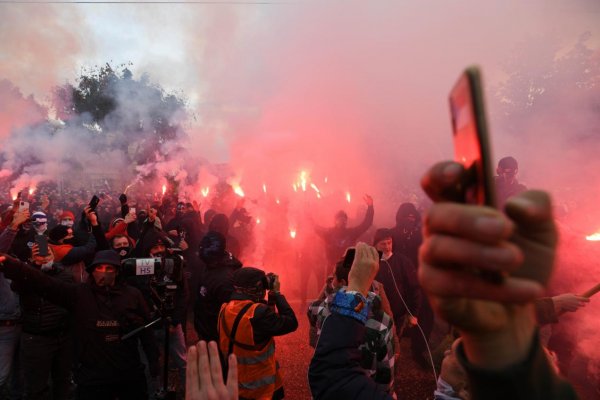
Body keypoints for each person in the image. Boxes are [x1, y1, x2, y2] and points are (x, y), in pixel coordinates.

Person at [308, 160, 577, 399]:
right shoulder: (340, 294)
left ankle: (413, 354)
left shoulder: (383, 292)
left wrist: (367, 298)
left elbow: (332, 373)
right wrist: (549, 306)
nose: (452, 350)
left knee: (406, 327)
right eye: (455, 350)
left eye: (457, 353)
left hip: (401, 295)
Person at [0, 250, 159, 400]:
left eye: (109, 268)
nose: (104, 272)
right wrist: (13, 265)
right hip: (92, 375)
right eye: (99, 268)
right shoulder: (79, 294)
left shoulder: (132, 295)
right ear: (92, 271)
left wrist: (153, 359)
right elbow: (45, 284)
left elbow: (146, 331)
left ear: (117, 271)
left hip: (127, 371)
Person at [307, 259, 397, 396]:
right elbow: (385, 372)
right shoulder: (382, 321)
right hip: (364, 390)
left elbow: (311, 309)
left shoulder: (322, 309)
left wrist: (329, 289)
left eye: (334, 277)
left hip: (328, 389)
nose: (331, 280)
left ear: (342, 282)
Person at [219, 267, 298, 400]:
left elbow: (264, 319)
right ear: (255, 288)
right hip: (258, 390)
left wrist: (270, 298)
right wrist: (277, 293)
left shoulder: (224, 309)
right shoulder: (257, 314)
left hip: (233, 385)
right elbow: (291, 323)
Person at [372, 228, 423, 364]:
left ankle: (390, 372)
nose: (387, 247)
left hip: (398, 315)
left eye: (390, 243)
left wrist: (413, 313)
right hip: (375, 314)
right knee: (374, 345)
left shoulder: (403, 262)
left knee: (393, 347)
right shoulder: (371, 262)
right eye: (383, 244)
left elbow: (415, 289)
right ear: (375, 244)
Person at [194, 231, 242, 343]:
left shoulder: (224, 280)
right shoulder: (212, 264)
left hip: (216, 336)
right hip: (206, 330)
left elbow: (230, 314)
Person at [314, 195, 374, 268]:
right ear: (335, 221)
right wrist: (307, 215)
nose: (342, 221)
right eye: (339, 219)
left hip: (348, 268)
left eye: (344, 219)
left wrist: (370, 207)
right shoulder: (329, 233)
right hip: (332, 269)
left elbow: (366, 224)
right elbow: (315, 227)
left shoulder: (351, 233)